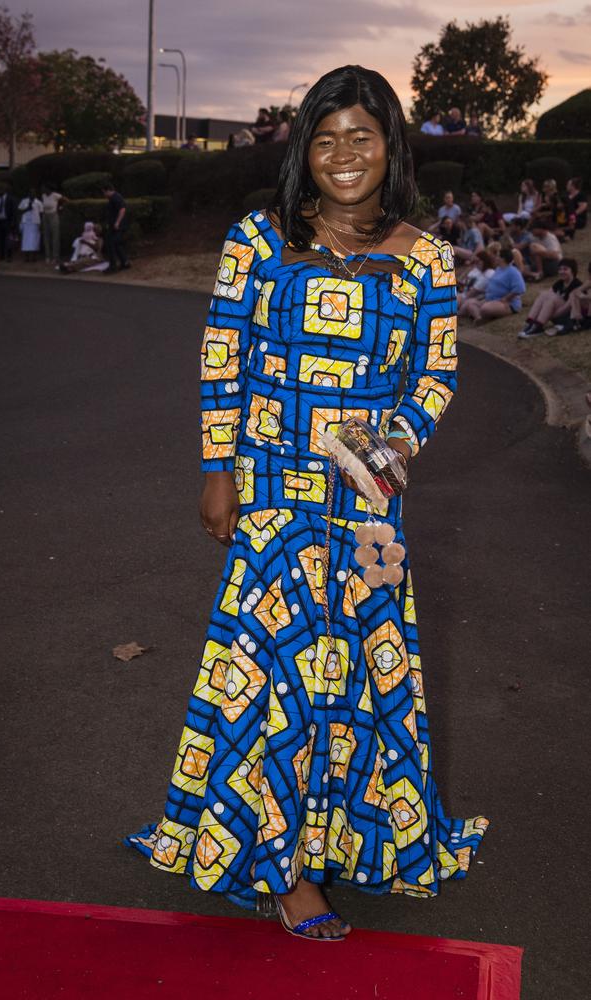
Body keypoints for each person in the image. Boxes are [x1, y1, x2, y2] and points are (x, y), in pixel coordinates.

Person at [125, 63, 488, 942]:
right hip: (270, 490)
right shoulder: (258, 239)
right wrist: (219, 469)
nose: (342, 154)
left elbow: (434, 376)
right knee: (274, 670)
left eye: (361, 135)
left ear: (390, 145)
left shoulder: (426, 259)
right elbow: (224, 358)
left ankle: (346, 840)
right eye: (324, 138)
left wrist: (385, 452)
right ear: (304, 152)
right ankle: (283, 870)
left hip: (366, 501)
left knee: (357, 673)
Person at [517, 259, 581, 338]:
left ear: (573, 271)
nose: (561, 272)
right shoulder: (560, 283)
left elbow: (567, 307)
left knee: (552, 298)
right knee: (544, 294)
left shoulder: (577, 284)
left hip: (568, 317)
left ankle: (538, 326)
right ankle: (530, 323)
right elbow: (546, 295)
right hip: (557, 316)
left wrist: (550, 315)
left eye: (565, 269)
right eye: (560, 269)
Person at [459, 247, 525, 322]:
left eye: (498, 256)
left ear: (503, 259)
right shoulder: (498, 269)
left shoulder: (513, 271)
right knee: (470, 304)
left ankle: (481, 315)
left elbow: (520, 288)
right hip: (491, 299)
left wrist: (506, 299)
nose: (496, 258)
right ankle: (478, 318)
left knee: (485, 308)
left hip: (507, 303)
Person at [549, 261, 591, 335]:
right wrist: (579, 294)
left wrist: (584, 296)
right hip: (585, 312)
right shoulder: (589, 282)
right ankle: (575, 320)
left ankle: (572, 323)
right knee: (573, 294)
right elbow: (575, 291)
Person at [102, 182, 130, 271]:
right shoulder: (113, 198)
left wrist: (117, 222)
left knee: (111, 244)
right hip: (115, 225)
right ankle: (124, 262)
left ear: (108, 191)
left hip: (117, 226)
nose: (104, 195)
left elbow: (122, 209)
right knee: (117, 244)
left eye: (104, 192)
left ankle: (113, 266)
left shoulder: (115, 197)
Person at [0, 189, 18, 262]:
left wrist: (13, 222)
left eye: (0, 190)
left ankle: (9, 257)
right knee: (0, 240)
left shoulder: (11, 199)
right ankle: (1, 256)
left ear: (5, 191)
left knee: (9, 240)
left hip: (7, 222)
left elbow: (14, 211)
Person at [41, 184, 65, 263]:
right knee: (46, 236)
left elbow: (65, 200)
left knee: (55, 236)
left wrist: (60, 207)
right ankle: (48, 256)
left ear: (49, 189)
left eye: (44, 188)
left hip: (53, 215)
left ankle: (55, 257)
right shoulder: (43, 195)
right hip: (45, 216)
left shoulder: (55, 195)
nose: (43, 189)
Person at [17, 190, 43, 261]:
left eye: (33, 193)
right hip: (26, 223)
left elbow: (41, 214)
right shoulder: (24, 201)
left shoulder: (39, 202)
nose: (32, 195)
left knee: (35, 240)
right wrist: (27, 209)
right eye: (31, 193)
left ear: (35, 195)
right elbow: (19, 211)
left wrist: (41, 224)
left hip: (35, 223)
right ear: (28, 194)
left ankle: (34, 257)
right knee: (26, 241)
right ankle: (27, 257)